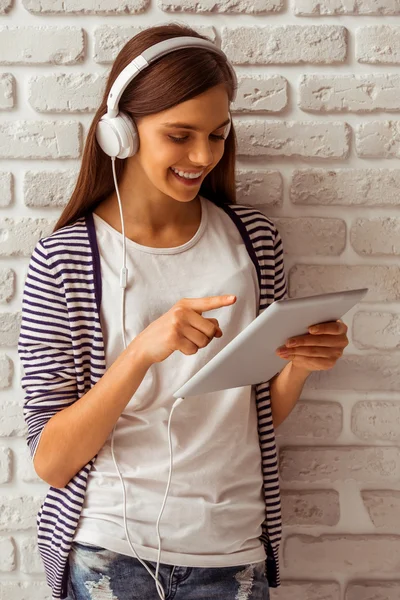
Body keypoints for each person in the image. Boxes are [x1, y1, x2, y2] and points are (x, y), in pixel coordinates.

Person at [17, 22, 349, 600]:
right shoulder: (65, 258)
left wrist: (300, 363)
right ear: (121, 133)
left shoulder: (254, 241)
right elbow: (51, 461)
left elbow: (252, 418)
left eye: (218, 135)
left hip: (234, 550)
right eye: (180, 135)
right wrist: (144, 349)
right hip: (112, 553)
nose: (202, 156)